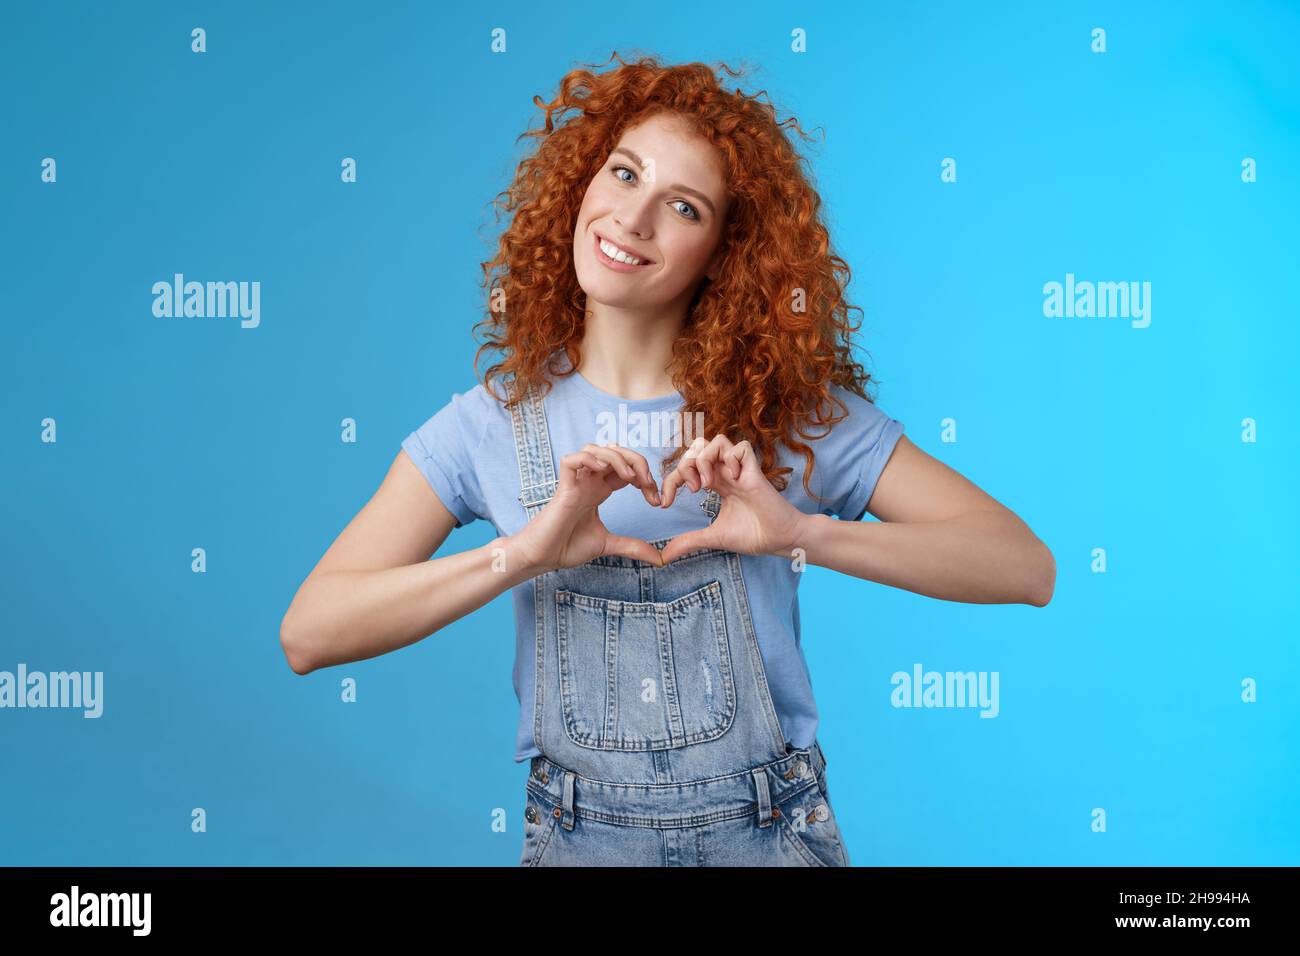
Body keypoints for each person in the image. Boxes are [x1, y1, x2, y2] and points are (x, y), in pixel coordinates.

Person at [279, 53, 1056, 867]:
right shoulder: (489, 427)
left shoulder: (786, 421)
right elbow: (310, 633)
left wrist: (801, 533)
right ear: (579, 184)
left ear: (725, 250)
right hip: (579, 840)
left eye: (682, 205)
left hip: (769, 836)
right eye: (622, 173)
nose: (631, 219)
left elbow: (1023, 567)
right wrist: (522, 555)